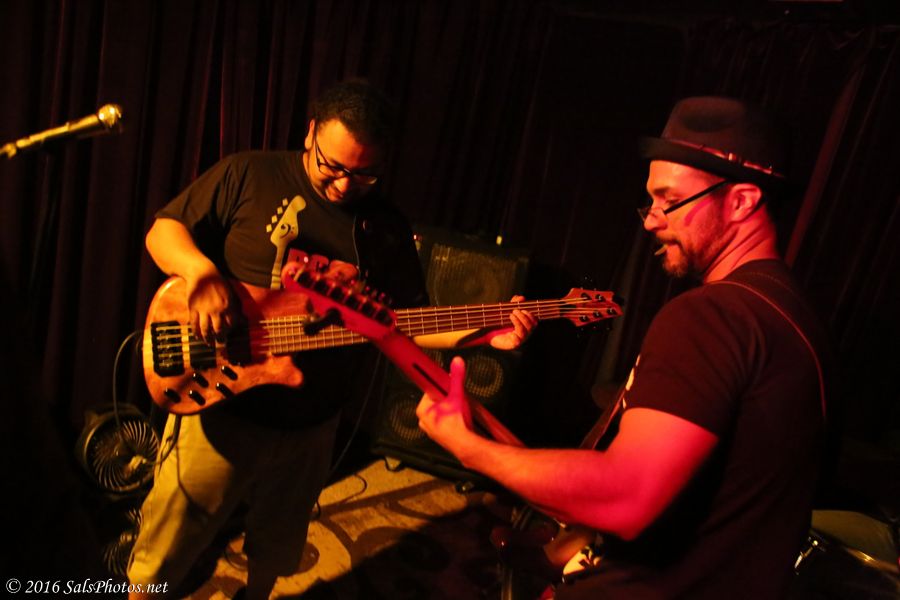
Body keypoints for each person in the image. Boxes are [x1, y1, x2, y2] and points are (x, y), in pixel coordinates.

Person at [127, 79, 535, 600]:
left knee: (275, 553)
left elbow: (408, 322)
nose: (344, 185)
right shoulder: (249, 173)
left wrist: (489, 333)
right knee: (161, 557)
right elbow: (163, 230)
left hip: (312, 425)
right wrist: (200, 273)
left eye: (364, 174)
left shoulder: (384, 227)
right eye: (332, 166)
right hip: (222, 409)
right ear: (311, 132)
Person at [417, 96, 833, 599]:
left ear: (742, 201)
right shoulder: (790, 312)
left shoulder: (712, 317)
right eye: (649, 202)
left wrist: (472, 450)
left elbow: (626, 497)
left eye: (668, 200)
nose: (650, 221)